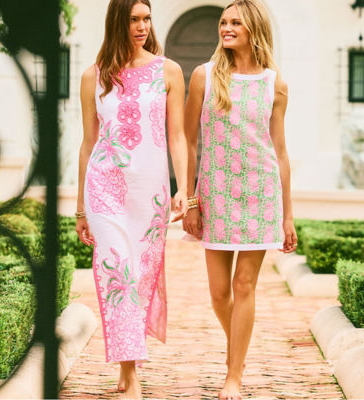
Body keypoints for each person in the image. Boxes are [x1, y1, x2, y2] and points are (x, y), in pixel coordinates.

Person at [182, 0, 297, 398]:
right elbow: (189, 142)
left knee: (244, 284)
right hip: (215, 196)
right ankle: (241, 348)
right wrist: (192, 200)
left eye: (235, 23)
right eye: (223, 22)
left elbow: (279, 152)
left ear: (253, 29)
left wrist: (288, 217)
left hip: (260, 196)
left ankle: (234, 373)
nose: (226, 28)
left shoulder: (274, 83)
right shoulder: (204, 77)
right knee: (219, 292)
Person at [75, 0, 188, 398]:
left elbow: (177, 136)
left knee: (139, 276)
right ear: (117, 23)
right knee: (117, 275)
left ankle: (128, 362)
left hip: (151, 192)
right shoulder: (94, 76)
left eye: (146, 19)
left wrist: (183, 190)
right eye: (133, 19)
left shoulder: (168, 70)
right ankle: (130, 374)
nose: (142, 26)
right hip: (104, 187)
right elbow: (88, 144)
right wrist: (79, 208)